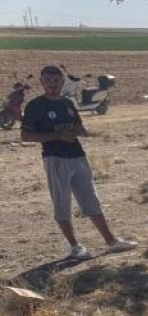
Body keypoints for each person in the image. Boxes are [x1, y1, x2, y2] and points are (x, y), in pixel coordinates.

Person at [20, 65, 136, 260]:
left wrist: (82, 131)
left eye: (56, 80)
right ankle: (75, 247)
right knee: (62, 203)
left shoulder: (67, 102)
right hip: (55, 158)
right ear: (42, 82)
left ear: (62, 82)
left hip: (78, 156)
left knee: (91, 199)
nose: (52, 84)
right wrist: (58, 135)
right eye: (48, 80)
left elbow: (78, 125)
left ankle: (111, 242)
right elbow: (25, 136)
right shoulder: (36, 106)